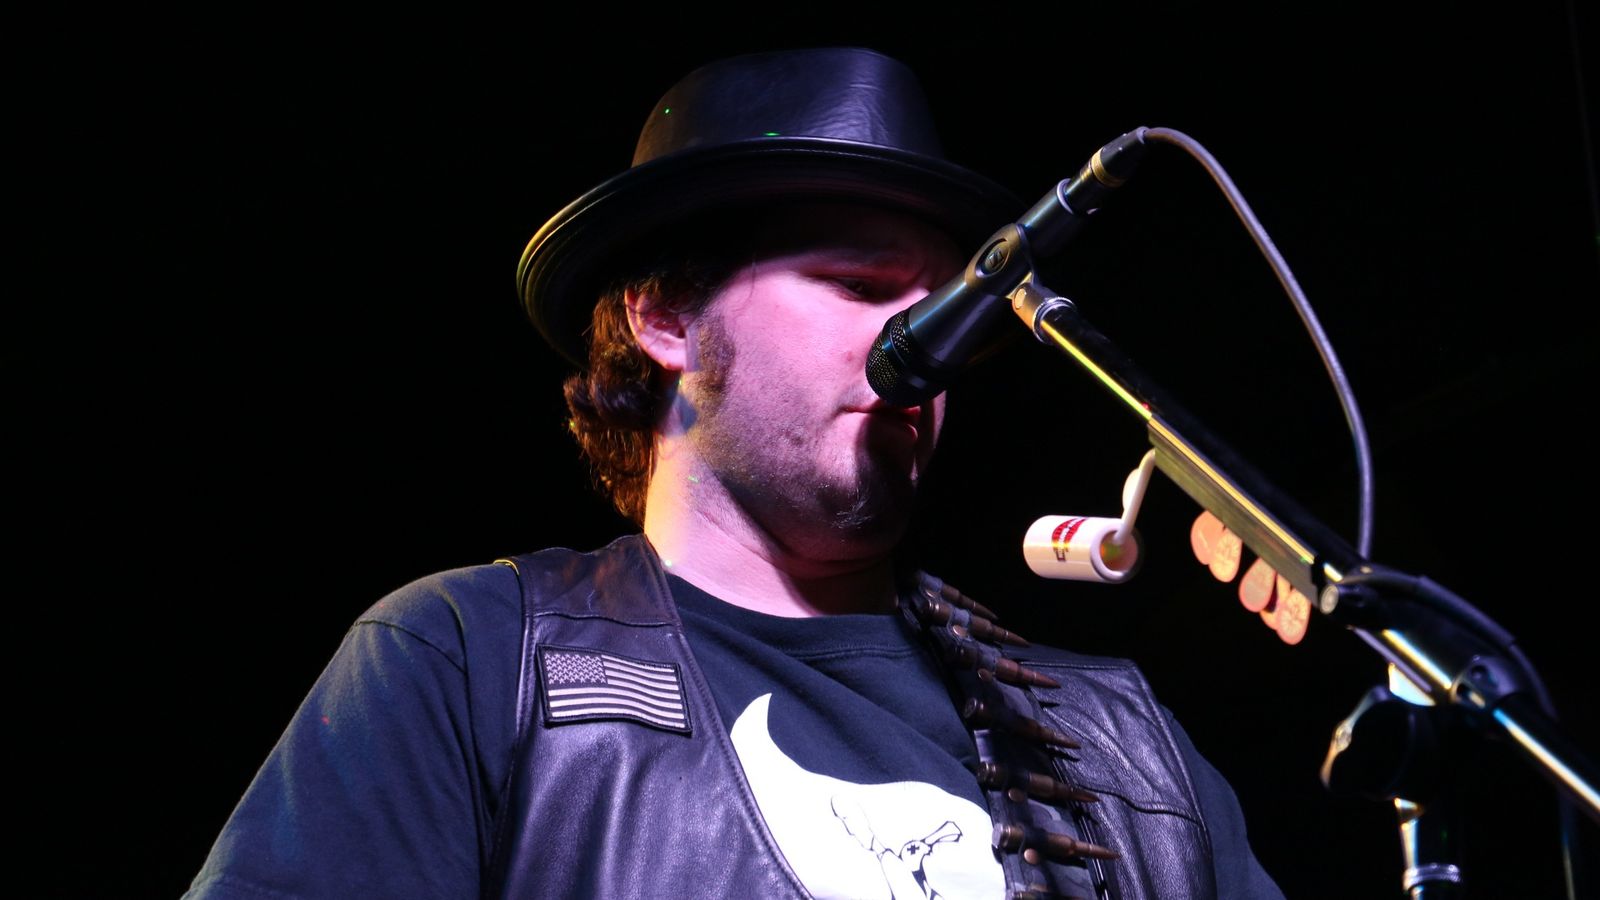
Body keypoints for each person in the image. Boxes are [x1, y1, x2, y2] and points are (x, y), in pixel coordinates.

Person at [184, 47, 1284, 899]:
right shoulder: (471, 660)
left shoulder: (1123, 743)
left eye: (947, 309)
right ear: (664, 315)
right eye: (860, 286)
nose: (924, 350)